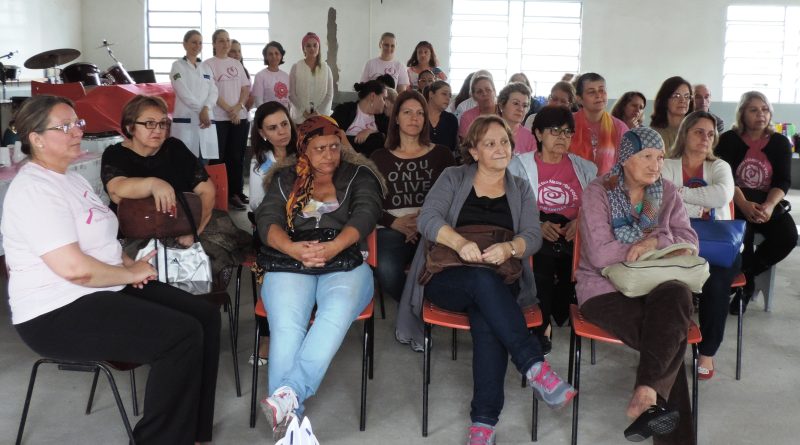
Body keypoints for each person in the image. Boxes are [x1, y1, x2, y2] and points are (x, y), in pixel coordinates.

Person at [3, 95, 221, 444]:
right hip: (55, 310)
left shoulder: (72, 180)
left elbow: (100, 242)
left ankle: (194, 431)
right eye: (65, 127)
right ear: (36, 138)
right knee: (180, 336)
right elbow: (74, 269)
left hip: (101, 287)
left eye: (78, 124)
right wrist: (129, 275)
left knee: (206, 318)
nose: (77, 132)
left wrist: (128, 263)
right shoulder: (34, 189)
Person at [395, 115, 575, 444]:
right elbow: (429, 219)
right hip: (449, 275)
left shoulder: (519, 187)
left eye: (504, 142)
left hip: (500, 275)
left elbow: (533, 236)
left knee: (487, 314)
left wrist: (510, 247)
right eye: (490, 143)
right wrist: (461, 243)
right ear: (474, 151)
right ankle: (534, 366)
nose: (499, 149)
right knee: (482, 285)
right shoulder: (453, 176)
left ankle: (483, 425)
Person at [255, 115, 385, 439]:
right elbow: (267, 219)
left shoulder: (359, 175)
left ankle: (289, 396)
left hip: (345, 259)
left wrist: (332, 247)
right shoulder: (285, 179)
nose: (329, 154)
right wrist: (293, 248)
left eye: (334, 147)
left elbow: (367, 213)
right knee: (286, 325)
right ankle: (289, 429)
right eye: (320, 149)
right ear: (304, 152)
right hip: (291, 258)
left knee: (335, 312)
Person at [575, 126, 698, 444]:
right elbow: (601, 255)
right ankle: (652, 394)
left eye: (660, 157)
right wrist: (647, 248)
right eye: (646, 156)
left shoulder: (667, 191)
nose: (656, 165)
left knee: (677, 297)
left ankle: (647, 390)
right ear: (626, 158)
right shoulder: (599, 191)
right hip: (603, 289)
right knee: (669, 335)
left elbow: (688, 241)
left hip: (657, 285)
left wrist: (655, 241)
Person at [102, 95, 248, 280]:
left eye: (163, 124)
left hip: (184, 227)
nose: (158, 130)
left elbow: (207, 191)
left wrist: (193, 231)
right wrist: (153, 184)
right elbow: (116, 190)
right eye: (149, 123)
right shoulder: (115, 154)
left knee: (205, 266)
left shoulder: (175, 148)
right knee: (148, 274)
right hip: (136, 235)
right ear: (130, 126)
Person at [510, 106, 597, 354]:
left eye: (568, 132)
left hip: (573, 233)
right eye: (555, 131)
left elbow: (596, 207)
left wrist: (580, 223)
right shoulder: (518, 167)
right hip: (535, 228)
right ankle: (542, 327)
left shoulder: (586, 169)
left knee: (573, 263)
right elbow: (509, 207)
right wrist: (535, 225)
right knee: (542, 260)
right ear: (538, 134)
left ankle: (560, 312)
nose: (562, 138)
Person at [661, 111, 737, 380]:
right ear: (685, 134)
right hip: (675, 242)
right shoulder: (667, 165)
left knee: (716, 285)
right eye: (699, 132)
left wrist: (681, 194)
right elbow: (661, 201)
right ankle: (664, 348)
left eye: (711, 133)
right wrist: (698, 201)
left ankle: (707, 352)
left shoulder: (720, 167)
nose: (706, 137)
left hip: (716, 244)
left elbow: (721, 196)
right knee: (668, 285)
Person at [369, 90, 455, 303]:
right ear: (396, 118)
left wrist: (424, 220)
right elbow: (368, 203)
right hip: (392, 226)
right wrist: (394, 222)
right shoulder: (379, 157)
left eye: (419, 113)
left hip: (434, 225)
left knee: (446, 268)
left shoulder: (442, 155)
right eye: (407, 112)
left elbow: (454, 197)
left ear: (426, 119)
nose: (414, 118)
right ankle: (416, 308)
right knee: (387, 270)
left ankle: (426, 308)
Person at [716, 91, 797, 313]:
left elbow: (783, 181)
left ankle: (747, 277)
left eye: (764, 109)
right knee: (743, 233)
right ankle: (744, 287)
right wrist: (742, 204)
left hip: (766, 201)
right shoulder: (728, 140)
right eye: (753, 110)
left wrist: (770, 206)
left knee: (788, 236)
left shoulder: (780, 142)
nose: (761, 114)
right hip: (735, 198)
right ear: (742, 114)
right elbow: (724, 177)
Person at [247, 101, 298, 366]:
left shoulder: (305, 152)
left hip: (306, 222)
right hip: (271, 223)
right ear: (263, 132)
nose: (281, 132)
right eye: (273, 128)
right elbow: (256, 203)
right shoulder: (260, 163)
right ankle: (266, 332)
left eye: (284, 124)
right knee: (266, 264)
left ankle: (299, 324)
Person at [204, 29, 251, 210]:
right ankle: (218, 195)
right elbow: (211, 91)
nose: (225, 44)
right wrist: (229, 110)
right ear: (214, 44)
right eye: (221, 41)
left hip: (239, 117)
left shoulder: (236, 64)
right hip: (218, 118)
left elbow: (245, 88)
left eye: (227, 40)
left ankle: (235, 192)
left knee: (236, 157)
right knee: (218, 158)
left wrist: (238, 107)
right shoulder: (208, 64)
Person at [170, 30, 219, 163]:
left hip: (205, 122)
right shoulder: (177, 66)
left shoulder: (206, 68)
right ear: (184, 44)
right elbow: (183, 92)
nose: (197, 45)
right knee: (184, 165)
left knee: (203, 166)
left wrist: (206, 109)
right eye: (193, 42)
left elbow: (214, 91)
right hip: (186, 122)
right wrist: (201, 110)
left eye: (200, 43)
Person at [569, 72, 629, 176]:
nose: (598, 95)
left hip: (607, 188)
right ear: (579, 99)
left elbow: (627, 165)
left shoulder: (619, 128)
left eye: (602, 90)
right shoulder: (567, 123)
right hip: (571, 186)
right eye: (591, 92)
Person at [330, 80, 388, 157]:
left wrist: (370, 131)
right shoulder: (345, 110)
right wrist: (355, 158)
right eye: (384, 98)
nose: (385, 104)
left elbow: (390, 140)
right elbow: (331, 132)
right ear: (372, 96)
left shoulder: (382, 117)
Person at [289, 32, 334, 124]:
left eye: (315, 45)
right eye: (308, 46)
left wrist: (318, 113)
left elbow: (329, 94)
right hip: (299, 118)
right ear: (303, 48)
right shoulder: (296, 67)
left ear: (319, 47)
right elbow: (292, 94)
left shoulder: (326, 68)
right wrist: (304, 112)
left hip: (320, 117)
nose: (312, 48)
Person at [650, 76, 694, 150]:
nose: (683, 100)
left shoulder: (695, 131)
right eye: (676, 96)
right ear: (665, 99)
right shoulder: (654, 135)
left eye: (686, 96)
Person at [497, 82, 536, 154]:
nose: (520, 109)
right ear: (501, 105)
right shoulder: (487, 132)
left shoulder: (530, 138)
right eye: (516, 103)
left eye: (525, 105)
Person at [424, 80, 459, 160]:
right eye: (444, 94)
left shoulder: (451, 119)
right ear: (431, 94)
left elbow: (452, 148)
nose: (448, 98)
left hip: (445, 166)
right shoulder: (419, 116)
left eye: (450, 96)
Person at [252, 41, 291, 110]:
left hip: (284, 115)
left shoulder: (286, 76)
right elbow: (258, 102)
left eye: (276, 53)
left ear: (281, 56)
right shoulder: (260, 76)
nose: (274, 56)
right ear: (266, 57)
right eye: (270, 54)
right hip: (268, 116)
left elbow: (288, 100)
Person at [457, 72, 497, 139]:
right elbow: (465, 146)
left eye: (488, 90)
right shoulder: (467, 117)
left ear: (494, 92)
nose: (484, 93)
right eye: (479, 91)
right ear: (474, 97)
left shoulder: (505, 113)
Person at [228, 39, 255, 110]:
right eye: (233, 51)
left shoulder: (245, 72)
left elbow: (250, 93)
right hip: (229, 111)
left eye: (239, 51)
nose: (237, 54)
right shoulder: (223, 72)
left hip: (244, 112)